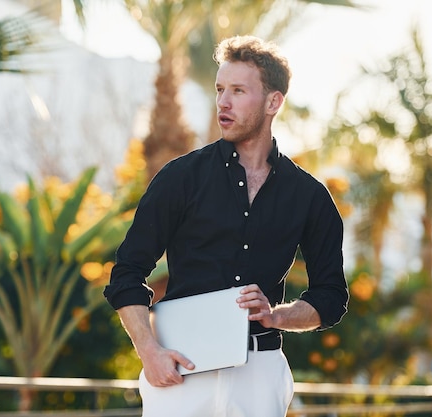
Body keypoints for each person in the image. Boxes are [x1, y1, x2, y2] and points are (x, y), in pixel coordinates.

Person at [104, 35, 348, 417]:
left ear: (273, 102)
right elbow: (126, 274)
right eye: (220, 89)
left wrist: (277, 315)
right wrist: (149, 352)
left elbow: (331, 296)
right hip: (180, 372)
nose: (223, 102)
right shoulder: (180, 177)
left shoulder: (310, 196)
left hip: (260, 375)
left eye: (238, 90)